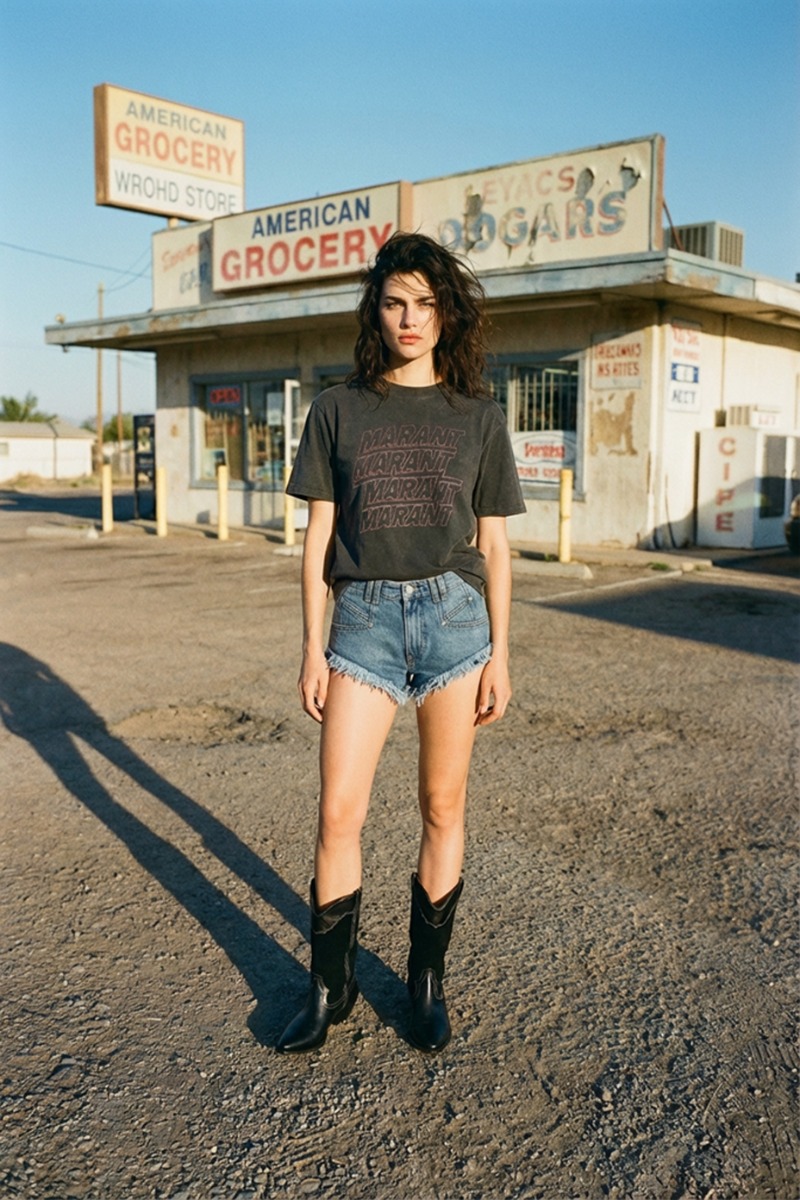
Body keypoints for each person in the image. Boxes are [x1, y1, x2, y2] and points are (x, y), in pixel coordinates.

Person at [277, 231, 525, 1054]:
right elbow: (318, 540)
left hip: (456, 621)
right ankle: (330, 988)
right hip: (364, 625)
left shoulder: (479, 417)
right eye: (394, 303)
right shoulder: (337, 409)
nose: (409, 319)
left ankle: (425, 984)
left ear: (446, 314)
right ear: (375, 312)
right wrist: (312, 647)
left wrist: (502, 652)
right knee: (338, 811)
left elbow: (494, 546)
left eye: (425, 304)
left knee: (442, 806)